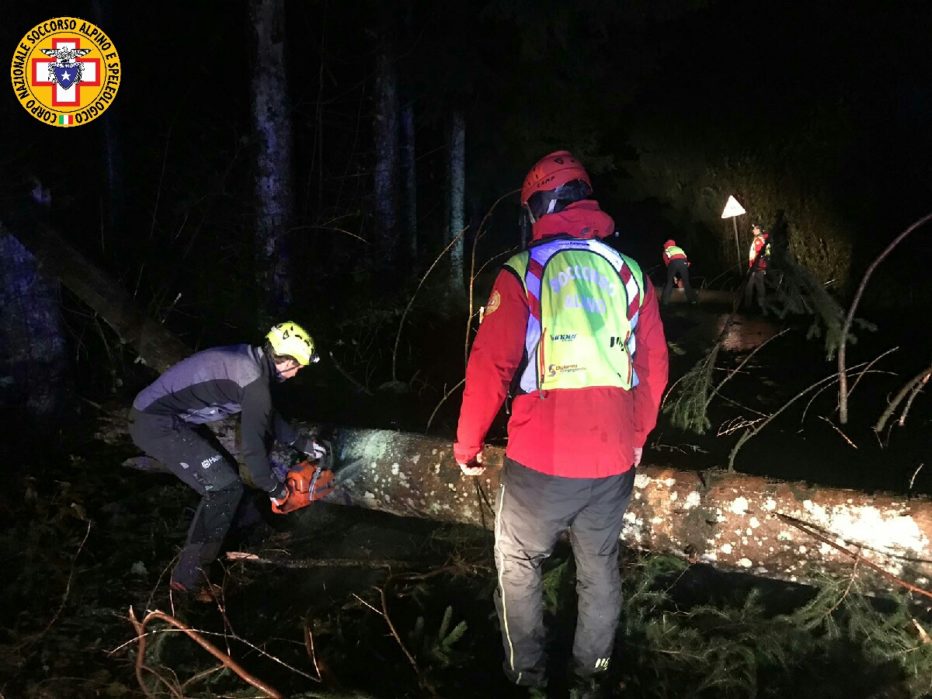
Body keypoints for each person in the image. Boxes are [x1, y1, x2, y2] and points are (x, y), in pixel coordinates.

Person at [454, 151, 669, 697]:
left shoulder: (525, 270)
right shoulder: (631, 273)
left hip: (540, 465)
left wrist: (467, 445)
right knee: (598, 568)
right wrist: (637, 434)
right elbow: (653, 366)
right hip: (614, 461)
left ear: (542, 205)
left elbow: (490, 368)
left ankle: (526, 680)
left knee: (518, 560)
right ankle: (588, 682)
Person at [128, 321, 328, 594]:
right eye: (297, 367)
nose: (296, 375)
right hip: (155, 423)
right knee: (223, 486)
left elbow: (265, 413)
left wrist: (302, 443)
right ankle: (188, 580)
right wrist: (275, 489)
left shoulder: (251, 361)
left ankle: (252, 536)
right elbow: (253, 447)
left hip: (171, 418)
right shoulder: (254, 381)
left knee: (227, 475)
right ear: (285, 360)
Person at [661, 238, 699, 305]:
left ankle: (664, 302)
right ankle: (693, 301)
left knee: (669, 282)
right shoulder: (679, 249)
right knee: (686, 282)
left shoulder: (666, 250)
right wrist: (679, 276)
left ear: (666, 245)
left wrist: (673, 277)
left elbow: (667, 263)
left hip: (673, 263)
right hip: (684, 263)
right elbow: (686, 260)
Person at [745, 223, 772, 309]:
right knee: (759, 285)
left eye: (754, 229)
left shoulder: (758, 240)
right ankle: (760, 304)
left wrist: (753, 267)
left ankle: (749, 305)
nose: (753, 231)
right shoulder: (763, 239)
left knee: (750, 285)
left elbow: (758, 254)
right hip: (760, 266)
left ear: (759, 230)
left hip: (756, 267)